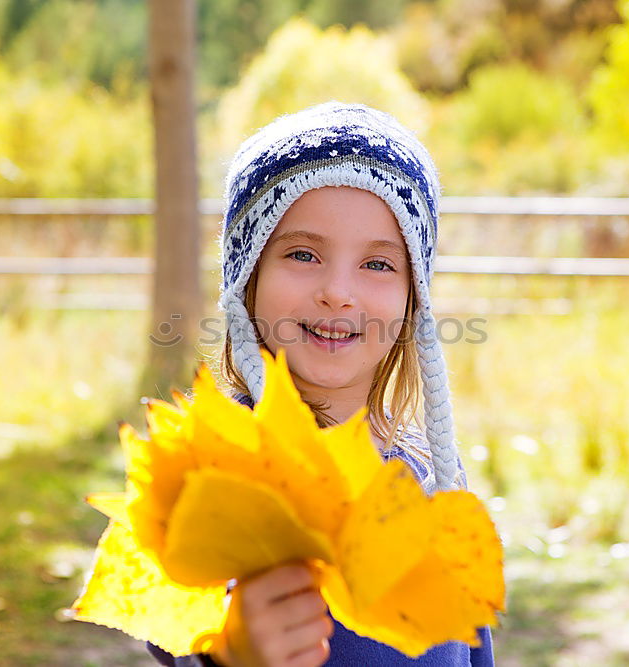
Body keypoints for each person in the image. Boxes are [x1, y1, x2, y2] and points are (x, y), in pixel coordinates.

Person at [146, 101, 496, 666]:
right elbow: (175, 631)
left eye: (378, 264)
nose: (338, 291)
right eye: (303, 254)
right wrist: (235, 650)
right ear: (247, 279)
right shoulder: (215, 463)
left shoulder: (431, 481)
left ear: (414, 299)